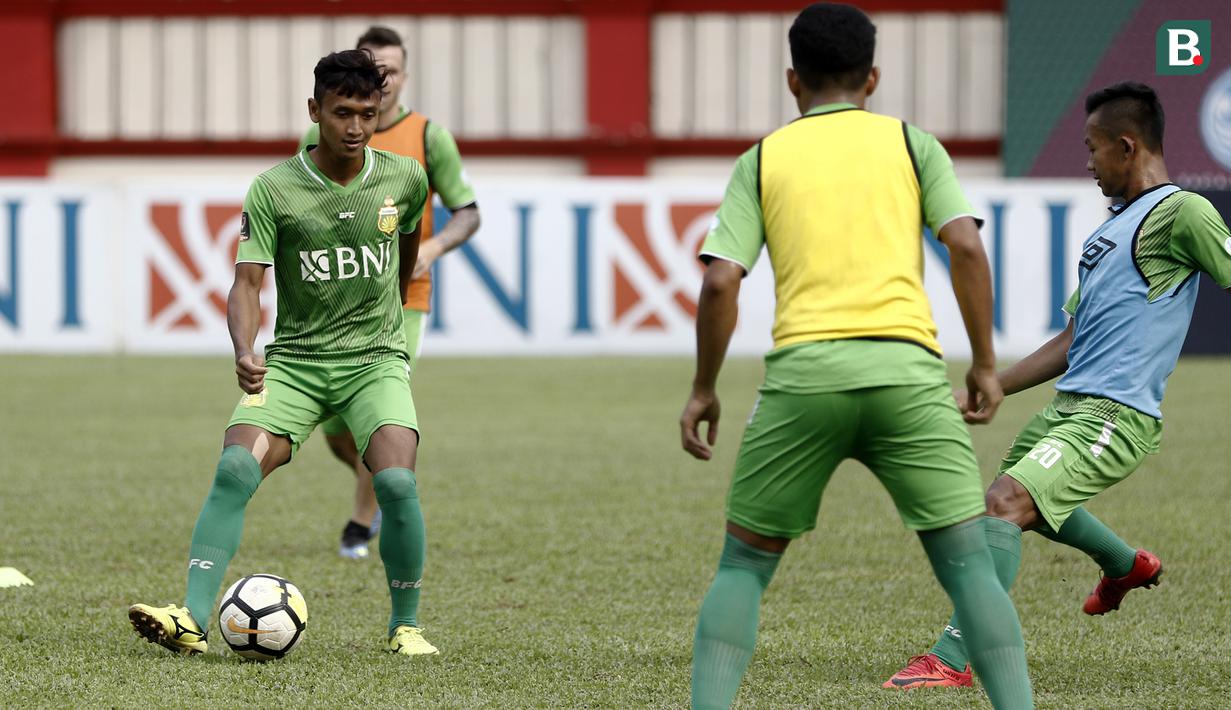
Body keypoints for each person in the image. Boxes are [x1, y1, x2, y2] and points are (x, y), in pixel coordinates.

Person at [680, 4, 1033, 708]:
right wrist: (985, 365)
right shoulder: (912, 144)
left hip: (804, 380)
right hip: (906, 376)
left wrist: (704, 389)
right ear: (871, 77)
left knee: (744, 567)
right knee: (967, 569)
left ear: (791, 81)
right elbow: (964, 244)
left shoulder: (763, 157)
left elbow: (721, 279)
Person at [884, 80, 1231, 689]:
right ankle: (1125, 566)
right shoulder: (1108, 234)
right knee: (1027, 507)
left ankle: (953, 658)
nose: (1088, 162)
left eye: (1092, 148)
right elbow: (1072, 342)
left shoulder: (1183, 212)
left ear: (1127, 147)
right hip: (1068, 409)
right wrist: (991, 384)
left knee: (1005, 505)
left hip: (1116, 416)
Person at [128, 49, 440, 657]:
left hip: (373, 362)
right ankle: (191, 618)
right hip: (293, 365)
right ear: (314, 110)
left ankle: (406, 625)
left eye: (368, 114)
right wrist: (244, 348)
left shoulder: (405, 178)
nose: (355, 128)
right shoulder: (275, 188)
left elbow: (406, 259)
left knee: (397, 482)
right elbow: (246, 283)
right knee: (234, 468)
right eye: (342, 112)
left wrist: (393, 339)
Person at [301, 26, 481, 561]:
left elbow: (468, 212)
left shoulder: (429, 137)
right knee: (336, 428)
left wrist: (432, 246)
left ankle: (360, 521)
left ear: (402, 76)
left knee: (374, 411)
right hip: (334, 300)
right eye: (376, 67)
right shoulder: (323, 134)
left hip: (403, 296)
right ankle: (375, 482)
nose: (386, 78)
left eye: (394, 70)